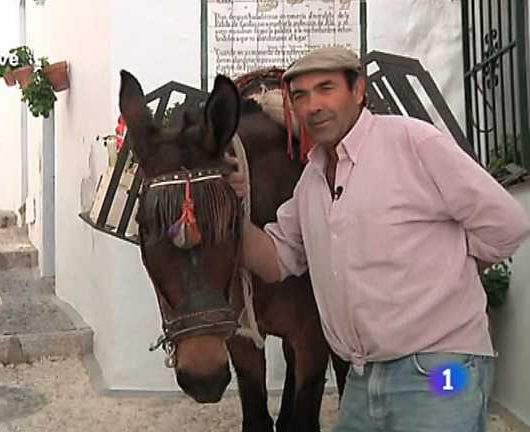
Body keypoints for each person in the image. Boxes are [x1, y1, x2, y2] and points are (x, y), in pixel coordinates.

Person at [226, 46, 530, 431]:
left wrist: (451, 269)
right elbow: (273, 257)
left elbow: (505, 224)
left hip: (439, 371)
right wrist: (231, 205)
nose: (313, 105)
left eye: (326, 88)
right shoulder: (311, 182)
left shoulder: (413, 142)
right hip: (362, 380)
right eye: (300, 96)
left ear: (358, 91)